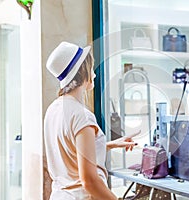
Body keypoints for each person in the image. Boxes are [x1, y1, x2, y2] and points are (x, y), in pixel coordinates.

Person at [44, 41, 138, 200]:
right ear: (83, 71)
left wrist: (109, 145)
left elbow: (71, 150)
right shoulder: (81, 115)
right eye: (91, 68)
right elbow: (89, 181)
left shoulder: (53, 109)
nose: (94, 74)